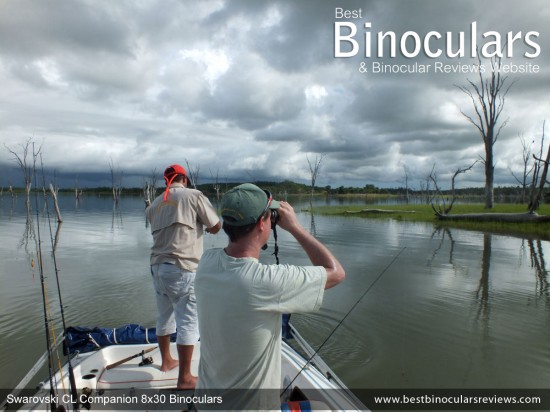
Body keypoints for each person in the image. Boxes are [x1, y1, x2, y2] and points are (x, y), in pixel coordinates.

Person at [195, 183, 345, 410]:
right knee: (323, 407)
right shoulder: (266, 281)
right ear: (261, 223)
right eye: (269, 216)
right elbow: (336, 273)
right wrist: (295, 228)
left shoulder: (207, 262)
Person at [145, 164, 221, 390]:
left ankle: (167, 361)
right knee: (188, 320)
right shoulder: (194, 196)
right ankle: (185, 378)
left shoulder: (155, 204)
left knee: (164, 316)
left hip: (157, 268)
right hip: (182, 267)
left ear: (167, 180)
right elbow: (216, 226)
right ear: (184, 179)